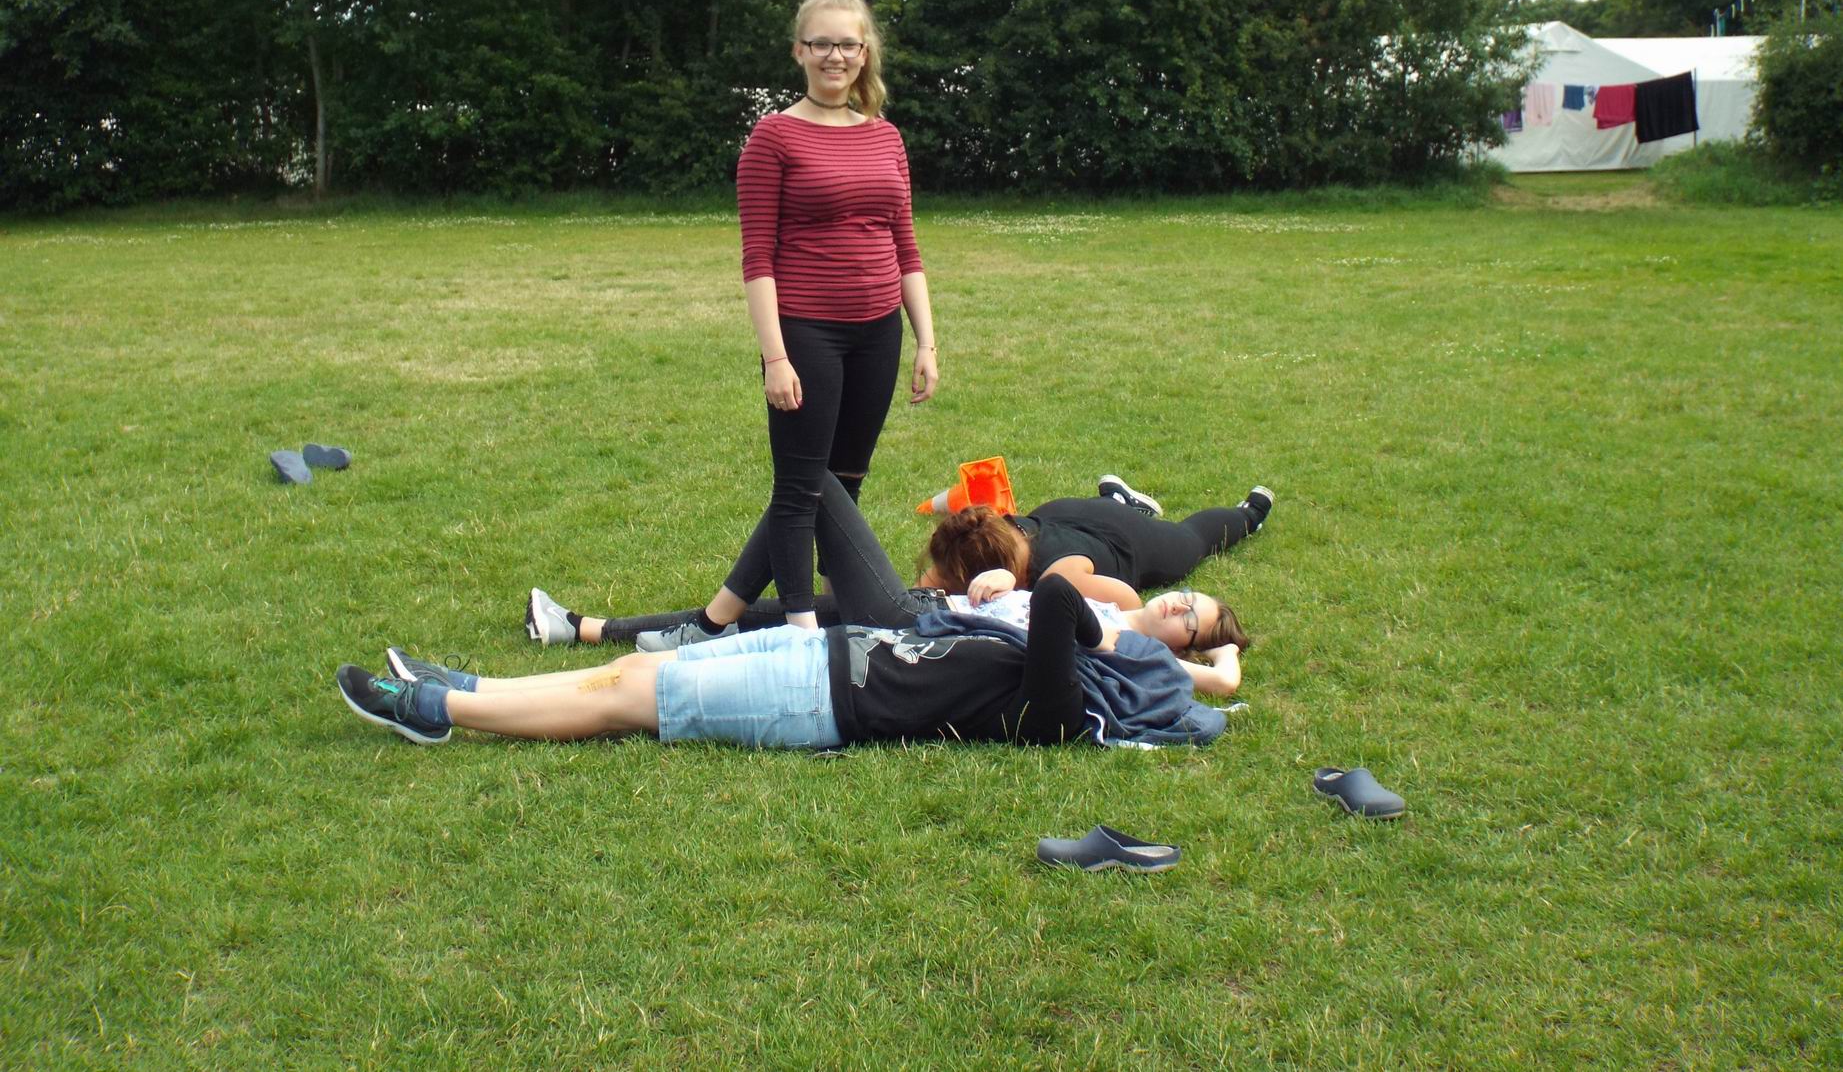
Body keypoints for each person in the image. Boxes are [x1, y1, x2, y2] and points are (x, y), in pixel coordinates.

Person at [524, 473, 1252, 697]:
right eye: (1190, 599)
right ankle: (585, 628)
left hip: (919, 626)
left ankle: (712, 624)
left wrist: (1222, 658)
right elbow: (1071, 585)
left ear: (1183, 647)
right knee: (772, 609)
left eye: (1189, 619)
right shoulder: (1127, 607)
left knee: (810, 484)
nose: (1179, 603)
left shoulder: (1140, 654)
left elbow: (1216, 681)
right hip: (939, 600)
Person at [336, 570, 1225, 751]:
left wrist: (1107, 641)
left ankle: (436, 713)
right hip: (824, 652)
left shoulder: (1061, 712)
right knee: (633, 676)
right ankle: (473, 686)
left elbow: (1063, 598)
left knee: (626, 697)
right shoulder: (1073, 683)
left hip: (819, 699)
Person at [731, 0, 938, 638]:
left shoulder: (885, 137)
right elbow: (757, 258)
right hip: (806, 333)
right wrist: (775, 356)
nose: (834, 56)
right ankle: (800, 632)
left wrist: (926, 342)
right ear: (799, 51)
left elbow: (906, 245)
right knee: (799, 489)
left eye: (847, 43)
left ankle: (830, 606)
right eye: (820, 43)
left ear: (864, 51)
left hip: (877, 334)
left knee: (844, 485)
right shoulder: (773, 136)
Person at [920, 480, 1276, 597]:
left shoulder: (1061, 577)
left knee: (1190, 540)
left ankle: (1249, 514)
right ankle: (1118, 499)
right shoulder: (975, 539)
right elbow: (919, 594)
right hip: (1062, 514)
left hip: (1125, 538)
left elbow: (1130, 606)